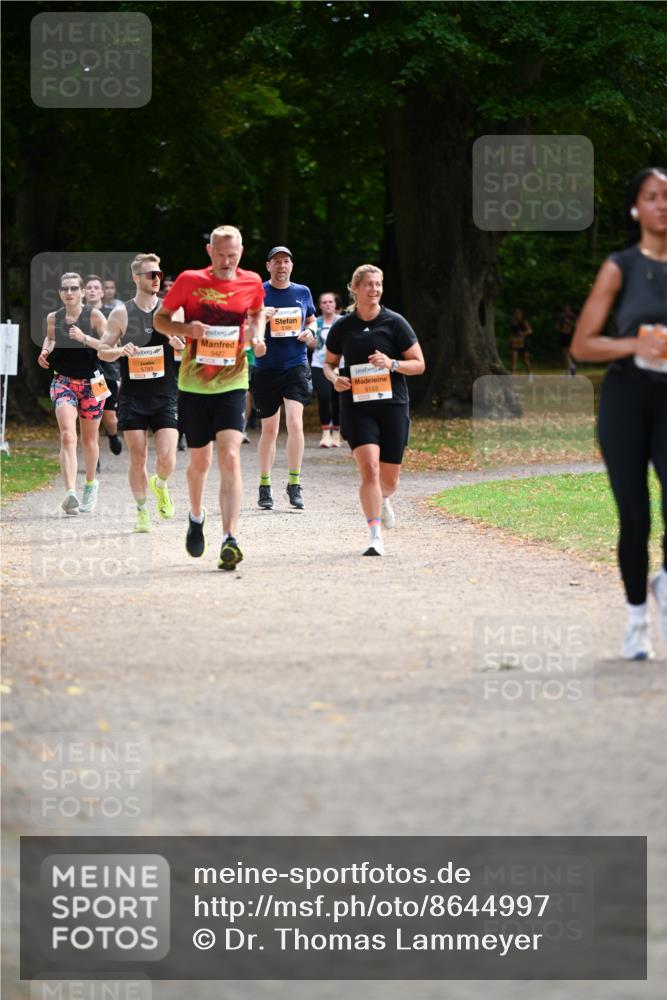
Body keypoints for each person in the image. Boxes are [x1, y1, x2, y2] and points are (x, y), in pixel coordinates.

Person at [571, 166, 667, 660]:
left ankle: (665, 584)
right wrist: (636, 342)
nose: (663, 205)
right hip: (626, 399)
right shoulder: (620, 266)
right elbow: (583, 344)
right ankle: (636, 621)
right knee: (636, 516)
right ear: (637, 207)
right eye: (652, 197)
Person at [153, 225, 266, 569]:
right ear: (209, 251)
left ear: (241, 252)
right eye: (220, 256)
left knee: (230, 456)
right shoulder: (189, 281)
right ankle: (196, 515)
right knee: (200, 463)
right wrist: (187, 330)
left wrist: (257, 335)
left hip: (233, 382)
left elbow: (257, 311)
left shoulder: (251, 282)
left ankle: (230, 537)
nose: (227, 262)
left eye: (233, 256)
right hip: (193, 386)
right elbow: (160, 320)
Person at [324, 264, 425, 556]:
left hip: (393, 405)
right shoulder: (342, 326)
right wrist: (334, 379)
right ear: (355, 288)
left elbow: (419, 364)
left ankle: (384, 498)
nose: (375, 290)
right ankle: (374, 535)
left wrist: (391, 363)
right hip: (357, 407)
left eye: (378, 284)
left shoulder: (395, 323)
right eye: (368, 284)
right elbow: (328, 364)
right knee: (369, 469)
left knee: (388, 481)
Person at [98, 254, 184, 532]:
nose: (156, 278)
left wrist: (179, 344)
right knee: (138, 456)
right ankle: (142, 511)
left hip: (166, 394)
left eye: (159, 274)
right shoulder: (121, 313)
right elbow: (103, 351)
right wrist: (120, 350)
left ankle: (160, 484)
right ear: (136, 278)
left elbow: (188, 349)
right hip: (133, 397)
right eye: (150, 274)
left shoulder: (172, 312)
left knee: (167, 457)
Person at [252, 246, 317, 511]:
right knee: (270, 430)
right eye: (277, 261)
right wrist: (260, 318)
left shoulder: (303, 292)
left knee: (295, 422)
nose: (282, 266)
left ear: (291, 266)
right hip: (266, 367)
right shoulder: (258, 292)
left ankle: (294, 484)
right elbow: (245, 325)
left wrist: (311, 332)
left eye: (286, 261)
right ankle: (264, 485)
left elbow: (312, 319)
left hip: (295, 365)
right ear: (268, 266)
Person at [37, 272, 107, 513]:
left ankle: (90, 485)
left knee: (90, 439)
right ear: (60, 293)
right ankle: (70, 494)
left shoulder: (94, 316)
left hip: (93, 382)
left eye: (74, 288)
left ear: (81, 291)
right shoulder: (53, 317)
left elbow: (109, 346)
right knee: (68, 435)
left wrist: (84, 337)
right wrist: (45, 351)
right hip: (63, 381)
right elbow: (50, 338)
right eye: (65, 289)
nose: (69, 293)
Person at [85, 274, 123, 455]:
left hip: (107, 372)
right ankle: (94, 456)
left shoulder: (112, 314)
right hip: (86, 371)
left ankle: (113, 435)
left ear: (102, 292)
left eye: (96, 288)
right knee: (92, 416)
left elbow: (118, 345)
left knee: (109, 417)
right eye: (89, 287)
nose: (92, 290)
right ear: (84, 292)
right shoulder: (78, 315)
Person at [312, 291, 342, 448]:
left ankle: (336, 433)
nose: (328, 305)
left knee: (337, 399)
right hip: (320, 364)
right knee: (324, 397)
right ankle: (325, 434)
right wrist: (309, 340)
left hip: (340, 365)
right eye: (324, 302)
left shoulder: (342, 322)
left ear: (336, 304)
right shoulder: (315, 322)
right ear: (319, 306)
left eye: (330, 302)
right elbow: (310, 345)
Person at [509, 307, 533, 379]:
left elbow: (530, 331)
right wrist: (511, 339)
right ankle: (512, 377)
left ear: (521, 314)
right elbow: (511, 333)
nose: (517, 315)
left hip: (523, 343)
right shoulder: (512, 323)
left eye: (518, 314)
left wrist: (523, 333)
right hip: (515, 343)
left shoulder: (524, 322)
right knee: (513, 360)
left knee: (525, 360)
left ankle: (530, 374)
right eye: (516, 313)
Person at [555, 303, 578, 377]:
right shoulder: (560, 316)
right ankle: (570, 368)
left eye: (568, 308)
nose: (567, 310)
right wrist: (560, 328)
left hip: (570, 335)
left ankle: (571, 367)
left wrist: (569, 322)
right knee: (565, 353)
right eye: (565, 308)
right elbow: (557, 326)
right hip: (563, 335)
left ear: (569, 309)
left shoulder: (572, 316)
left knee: (568, 352)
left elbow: (576, 325)